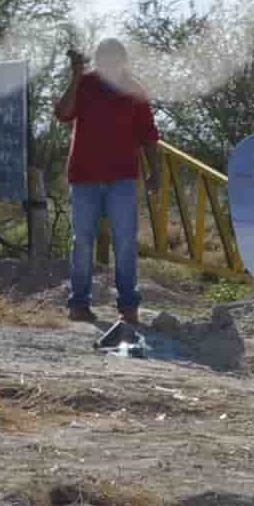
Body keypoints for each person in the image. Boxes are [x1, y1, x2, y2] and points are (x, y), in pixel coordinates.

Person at [55, 37, 158, 324]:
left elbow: (149, 135)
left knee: (125, 242)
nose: (108, 64)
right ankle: (79, 304)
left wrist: (155, 172)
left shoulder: (135, 90)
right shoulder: (85, 83)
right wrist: (75, 76)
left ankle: (128, 306)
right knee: (82, 242)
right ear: (97, 61)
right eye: (103, 58)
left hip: (122, 178)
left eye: (113, 59)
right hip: (84, 177)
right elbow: (63, 112)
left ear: (122, 61)